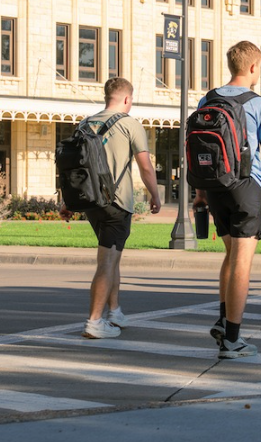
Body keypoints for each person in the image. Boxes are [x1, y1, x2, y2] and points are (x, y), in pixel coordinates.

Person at [193, 41, 261, 358]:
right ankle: (233, 339)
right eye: (260, 68)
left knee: (230, 255)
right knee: (242, 263)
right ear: (252, 67)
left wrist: (199, 192)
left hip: (215, 187)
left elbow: (201, 150)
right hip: (247, 187)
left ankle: (225, 321)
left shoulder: (206, 99)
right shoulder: (258, 104)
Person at [60, 77, 162, 339]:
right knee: (107, 261)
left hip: (91, 203)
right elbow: (146, 167)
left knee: (111, 256)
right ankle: (94, 322)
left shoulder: (85, 124)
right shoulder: (130, 124)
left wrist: (68, 202)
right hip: (117, 203)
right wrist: (155, 195)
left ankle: (114, 311)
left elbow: (76, 168)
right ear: (127, 98)